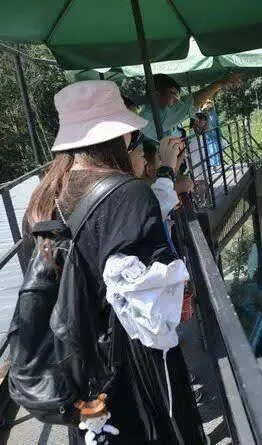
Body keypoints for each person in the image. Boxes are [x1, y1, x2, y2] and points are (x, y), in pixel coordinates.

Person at [23, 80, 207, 445]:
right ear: (118, 136)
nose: (134, 143)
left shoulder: (43, 197)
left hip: (80, 362)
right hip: (129, 363)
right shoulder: (128, 194)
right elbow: (158, 314)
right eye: (132, 135)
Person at [139, 73, 243, 141]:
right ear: (156, 95)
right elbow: (189, 104)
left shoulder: (154, 114)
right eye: (173, 95)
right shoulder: (152, 117)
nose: (177, 101)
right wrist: (219, 84)